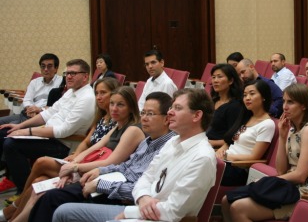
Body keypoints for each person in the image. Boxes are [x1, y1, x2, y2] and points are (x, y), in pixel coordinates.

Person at [52, 88, 216, 222]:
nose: (170, 113)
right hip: (143, 210)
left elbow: (172, 212)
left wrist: (131, 212)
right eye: (171, 107)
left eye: (178, 108)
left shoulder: (202, 157)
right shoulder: (173, 143)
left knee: (64, 212)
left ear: (197, 115)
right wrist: (144, 198)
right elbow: (145, 178)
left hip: (156, 218)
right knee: (63, 211)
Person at [28, 92, 177, 222]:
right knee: (47, 192)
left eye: (150, 114)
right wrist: (100, 171)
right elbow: (125, 165)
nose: (144, 118)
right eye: (143, 113)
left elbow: (143, 187)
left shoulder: (168, 148)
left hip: (123, 197)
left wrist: (99, 184)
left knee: (53, 198)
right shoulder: (147, 140)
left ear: (166, 119)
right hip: (111, 181)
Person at [0, 78, 119, 221]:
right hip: (80, 158)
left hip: (90, 166)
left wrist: (75, 161)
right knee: (39, 180)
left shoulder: (117, 120)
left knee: (41, 162)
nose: (98, 97)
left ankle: (11, 210)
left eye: (103, 93)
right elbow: (87, 141)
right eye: (97, 93)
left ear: (115, 93)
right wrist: (76, 155)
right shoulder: (101, 116)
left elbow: (99, 149)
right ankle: (13, 215)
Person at [221, 83, 308, 221]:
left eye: (290, 102)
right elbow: (280, 170)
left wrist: (268, 180)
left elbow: (301, 175)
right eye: (284, 101)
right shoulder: (292, 130)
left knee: (238, 208)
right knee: (226, 200)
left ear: (303, 105)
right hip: (289, 185)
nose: (284, 106)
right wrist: (282, 137)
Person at [0, 59, 96, 194]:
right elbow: (48, 113)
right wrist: (19, 126)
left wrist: (28, 131)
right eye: (67, 73)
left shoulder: (87, 98)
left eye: (73, 73)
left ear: (85, 76)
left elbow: (63, 131)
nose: (68, 76)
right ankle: (10, 179)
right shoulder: (70, 91)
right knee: (5, 131)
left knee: (11, 144)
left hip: (64, 144)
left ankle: (23, 190)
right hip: (48, 136)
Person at [216, 80, 275, 186]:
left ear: (263, 97)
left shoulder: (267, 124)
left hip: (238, 169)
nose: (247, 98)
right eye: (245, 95)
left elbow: (254, 156)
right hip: (225, 162)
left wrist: (228, 157)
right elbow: (230, 141)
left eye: (252, 94)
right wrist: (221, 150)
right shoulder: (245, 117)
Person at [0, 53, 63, 127]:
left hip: (44, 116)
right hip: (28, 114)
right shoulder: (35, 82)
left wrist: (39, 109)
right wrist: (30, 109)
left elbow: (58, 105)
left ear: (56, 68)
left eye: (49, 66)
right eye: (43, 66)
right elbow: (27, 100)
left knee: (8, 128)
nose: (45, 69)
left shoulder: (62, 83)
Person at [206, 64, 244, 148]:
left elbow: (235, 137)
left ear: (230, 81)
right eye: (213, 77)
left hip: (218, 148)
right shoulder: (213, 101)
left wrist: (210, 143)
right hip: (204, 142)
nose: (215, 80)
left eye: (219, 77)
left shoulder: (235, 106)